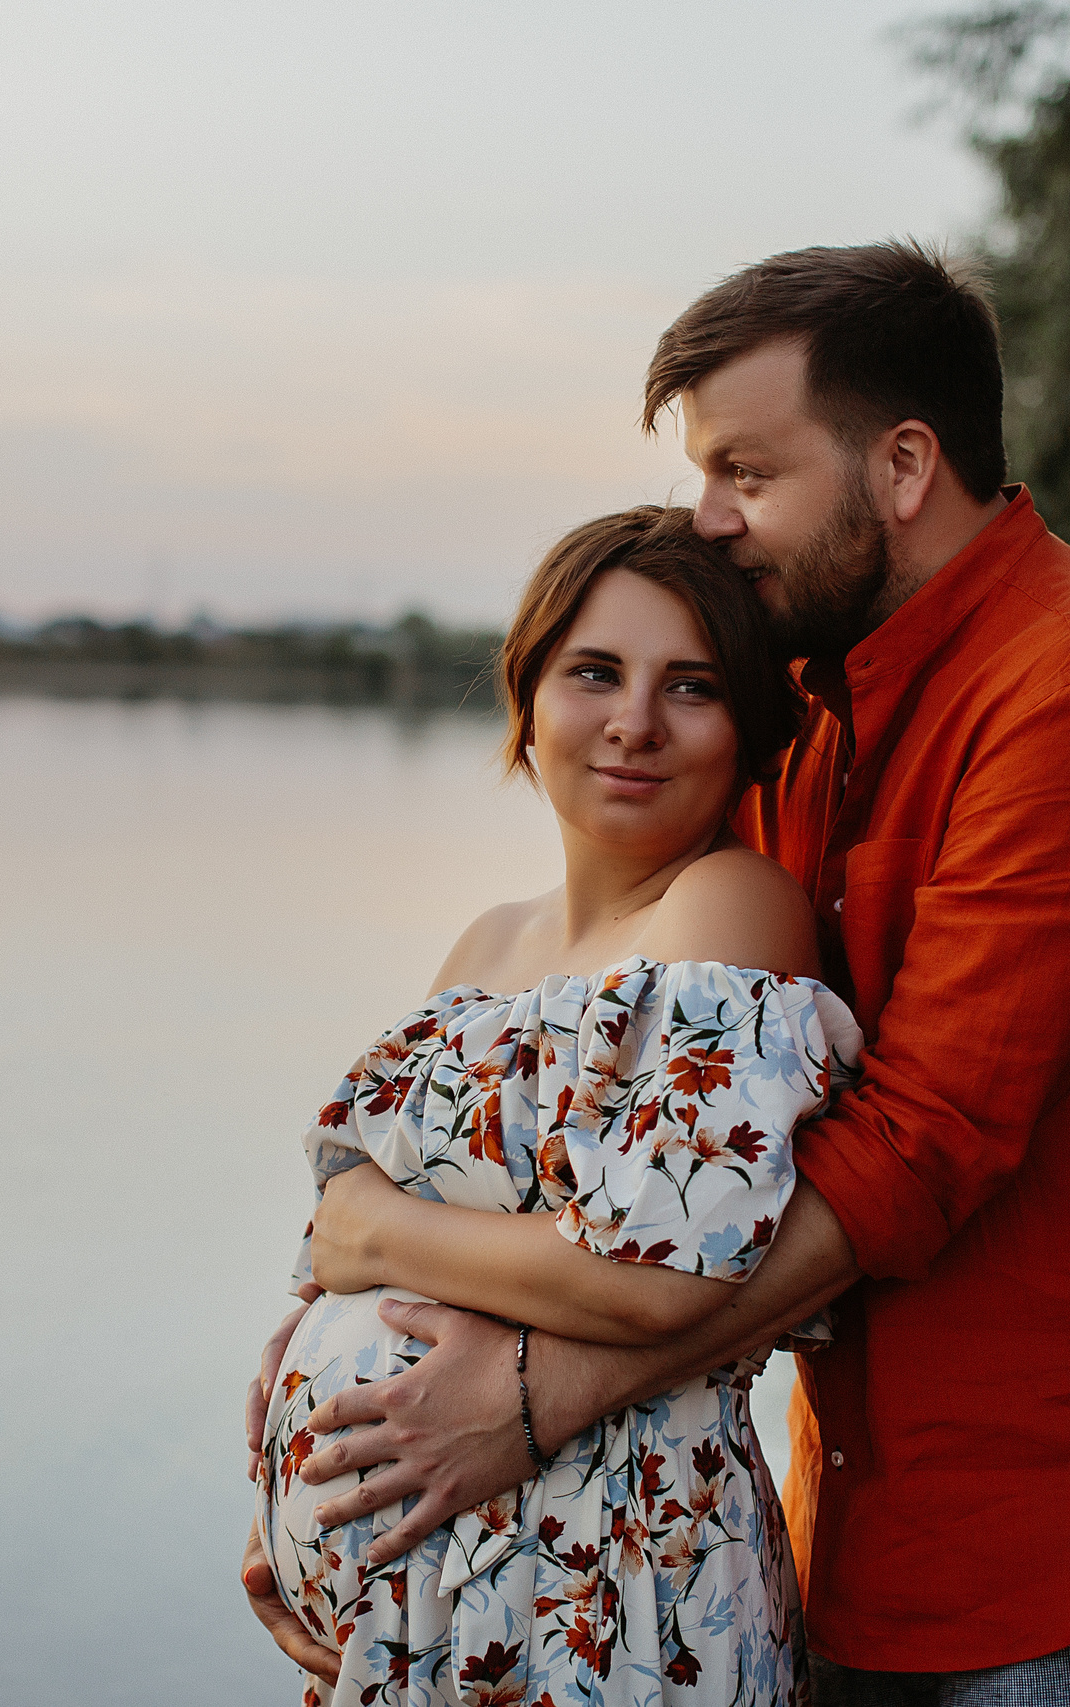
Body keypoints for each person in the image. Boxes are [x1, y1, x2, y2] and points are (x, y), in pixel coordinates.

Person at [247, 241, 1070, 1705]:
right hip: (858, 1534)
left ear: (903, 466)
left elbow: (910, 1148)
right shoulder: (815, 721)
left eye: (746, 472)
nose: (710, 517)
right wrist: (342, 1497)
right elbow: (629, 1130)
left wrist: (516, 1402)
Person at [247, 505, 866, 1706]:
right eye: (594, 672)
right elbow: (340, 1276)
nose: (635, 721)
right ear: (527, 697)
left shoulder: (726, 906)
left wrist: (373, 1228)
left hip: (607, 1582)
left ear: (749, 731)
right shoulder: (489, 941)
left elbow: (658, 1275)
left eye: (691, 686)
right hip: (408, 1599)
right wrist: (289, 1507)